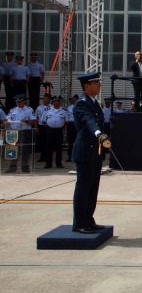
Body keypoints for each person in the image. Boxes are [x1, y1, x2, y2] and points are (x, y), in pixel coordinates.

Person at [71, 72, 111, 234]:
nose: (99, 85)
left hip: (95, 152)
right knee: (83, 188)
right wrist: (99, 134)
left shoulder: (94, 102)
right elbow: (89, 121)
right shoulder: (82, 104)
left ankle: (88, 219)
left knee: (92, 188)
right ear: (87, 86)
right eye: (96, 83)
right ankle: (79, 222)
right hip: (85, 151)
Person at [3, 94, 37, 173]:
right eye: (17, 102)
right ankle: (12, 167)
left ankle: (25, 166)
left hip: (25, 132)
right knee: (13, 149)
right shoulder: (13, 110)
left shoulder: (29, 110)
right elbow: (6, 120)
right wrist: (7, 121)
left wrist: (27, 121)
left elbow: (33, 121)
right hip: (14, 132)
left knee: (24, 150)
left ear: (24, 101)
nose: (19, 104)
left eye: (20, 102)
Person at [41, 96, 68, 169]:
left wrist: (62, 127)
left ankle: (58, 163)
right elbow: (43, 121)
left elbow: (66, 121)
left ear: (60, 102)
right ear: (52, 102)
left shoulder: (64, 110)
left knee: (59, 147)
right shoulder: (47, 110)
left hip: (59, 130)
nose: (57, 102)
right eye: (55, 101)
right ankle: (48, 163)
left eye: (58, 101)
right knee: (49, 146)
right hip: (50, 130)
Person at [34, 93, 51, 163]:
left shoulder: (51, 107)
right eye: (44, 98)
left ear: (49, 100)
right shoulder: (39, 108)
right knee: (42, 142)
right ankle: (42, 157)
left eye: (47, 99)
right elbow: (36, 118)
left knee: (48, 142)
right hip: (41, 126)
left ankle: (48, 157)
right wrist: (36, 127)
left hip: (48, 126)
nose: (45, 100)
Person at [66, 94, 79, 162]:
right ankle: (70, 156)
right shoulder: (69, 108)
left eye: (75, 99)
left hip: (78, 124)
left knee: (78, 141)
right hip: (71, 124)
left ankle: (78, 156)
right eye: (73, 99)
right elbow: (67, 117)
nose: (73, 100)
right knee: (70, 141)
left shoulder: (80, 107)